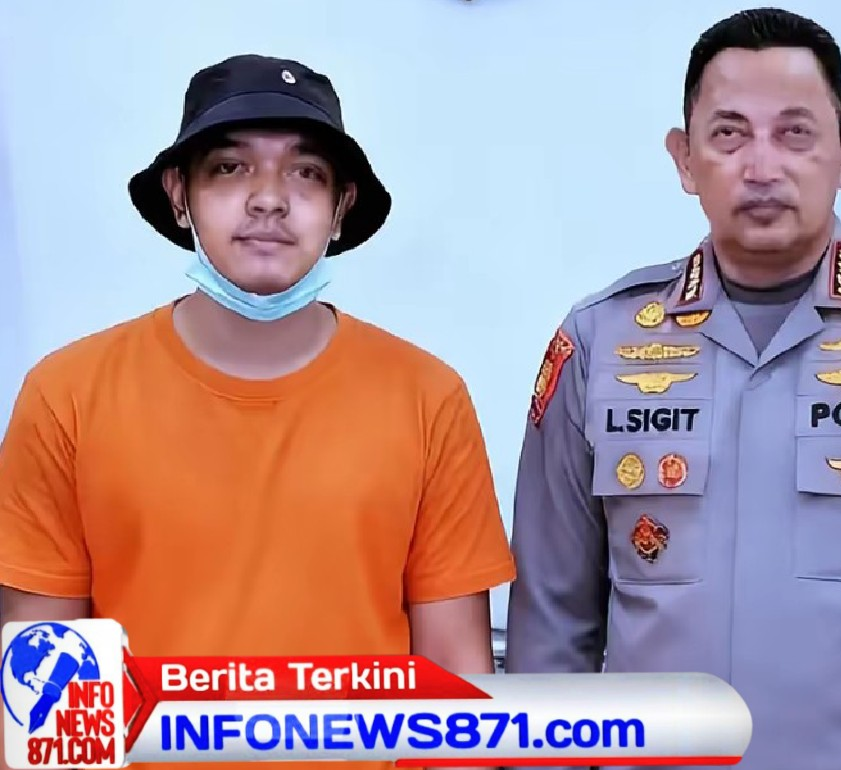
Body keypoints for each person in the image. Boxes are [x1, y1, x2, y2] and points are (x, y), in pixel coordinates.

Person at [505, 8, 841, 770]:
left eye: (795, 133)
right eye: (730, 134)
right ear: (684, 159)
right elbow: (550, 632)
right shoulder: (598, 343)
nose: (762, 166)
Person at [0, 54, 515, 770]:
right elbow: (44, 690)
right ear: (179, 195)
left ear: (341, 206)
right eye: (230, 168)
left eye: (305, 172)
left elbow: (457, 682)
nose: (269, 199)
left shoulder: (427, 399)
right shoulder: (68, 397)